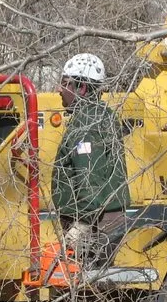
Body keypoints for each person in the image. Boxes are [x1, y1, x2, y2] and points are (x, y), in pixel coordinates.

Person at [52, 53, 130, 265]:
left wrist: (82, 225)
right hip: (103, 219)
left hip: (95, 224)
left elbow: (90, 176)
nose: (59, 90)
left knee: (88, 291)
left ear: (82, 88)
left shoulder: (87, 124)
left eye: (65, 83)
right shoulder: (102, 114)